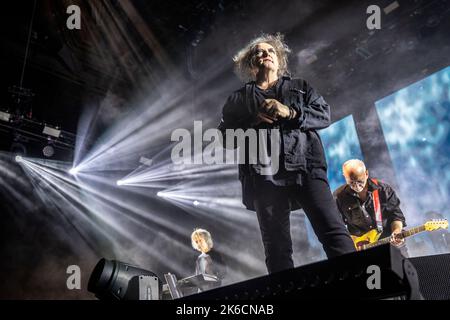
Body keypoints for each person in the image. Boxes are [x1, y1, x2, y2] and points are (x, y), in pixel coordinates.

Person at [218, 33, 355, 274]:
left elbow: (324, 115)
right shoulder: (237, 99)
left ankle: (359, 285)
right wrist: (253, 121)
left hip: (306, 168)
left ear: (279, 61)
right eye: (259, 52)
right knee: (276, 246)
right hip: (263, 176)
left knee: (332, 230)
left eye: (271, 51)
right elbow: (226, 139)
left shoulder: (300, 87)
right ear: (251, 64)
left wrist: (290, 112)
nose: (266, 54)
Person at [333, 159, 407, 253]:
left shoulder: (383, 190)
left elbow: (396, 216)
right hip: (362, 249)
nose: (357, 186)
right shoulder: (339, 197)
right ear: (345, 177)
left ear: (366, 174)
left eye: (360, 181)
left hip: (390, 243)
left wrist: (396, 230)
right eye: (352, 182)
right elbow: (338, 226)